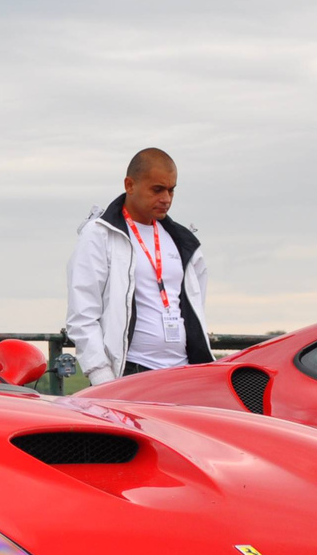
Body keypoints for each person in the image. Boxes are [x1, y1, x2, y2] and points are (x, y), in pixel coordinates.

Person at [65, 147, 214, 386]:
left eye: (171, 190)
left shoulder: (184, 241)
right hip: (130, 374)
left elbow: (197, 307)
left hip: (183, 374)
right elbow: (82, 314)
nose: (166, 198)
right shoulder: (100, 234)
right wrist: (102, 376)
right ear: (130, 185)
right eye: (157, 189)